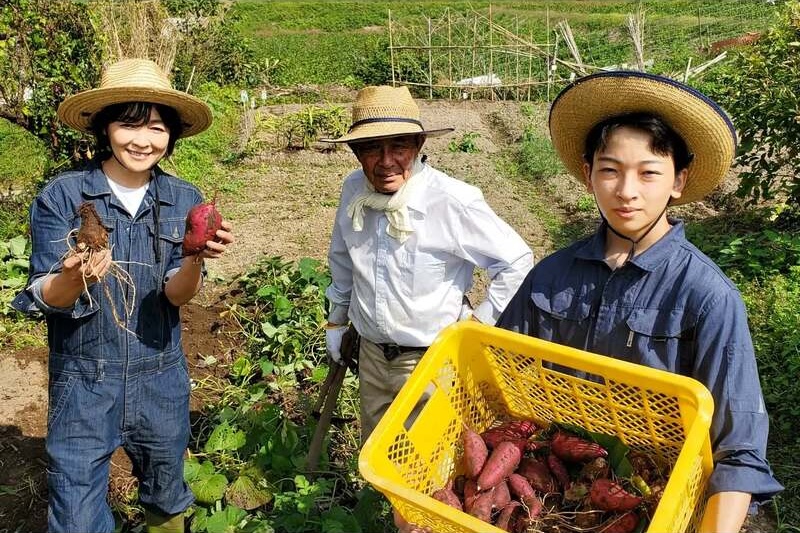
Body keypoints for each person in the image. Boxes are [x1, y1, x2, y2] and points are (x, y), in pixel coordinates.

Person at [496, 71, 783, 533]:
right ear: (588, 175)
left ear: (678, 181)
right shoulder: (550, 277)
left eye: (649, 173)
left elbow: (739, 448)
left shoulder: (707, 295)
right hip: (555, 491)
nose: (626, 191)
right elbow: (497, 381)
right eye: (610, 170)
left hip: (658, 500)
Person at [12, 58, 234, 533]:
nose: (143, 140)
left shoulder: (183, 198)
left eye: (156, 127)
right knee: (74, 508)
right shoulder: (64, 196)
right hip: (84, 378)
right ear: (105, 128)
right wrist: (78, 276)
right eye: (129, 124)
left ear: (171, 135)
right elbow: (47, 293)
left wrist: (196, 256)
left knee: (166, 491)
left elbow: (177, 296)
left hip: (161, 373)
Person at [322, 85, 533, 530]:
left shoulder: (450, 200)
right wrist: (337, 322)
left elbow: (515, 261)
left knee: (430, 478)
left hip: (432, 366)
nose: (385, 161)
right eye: (370, 149)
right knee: (381, 460)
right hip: (373, 356)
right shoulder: (353, 191)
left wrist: (473, 328)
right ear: (356, 152)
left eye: (398, 146)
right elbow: (342, 259)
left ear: (419, 145)